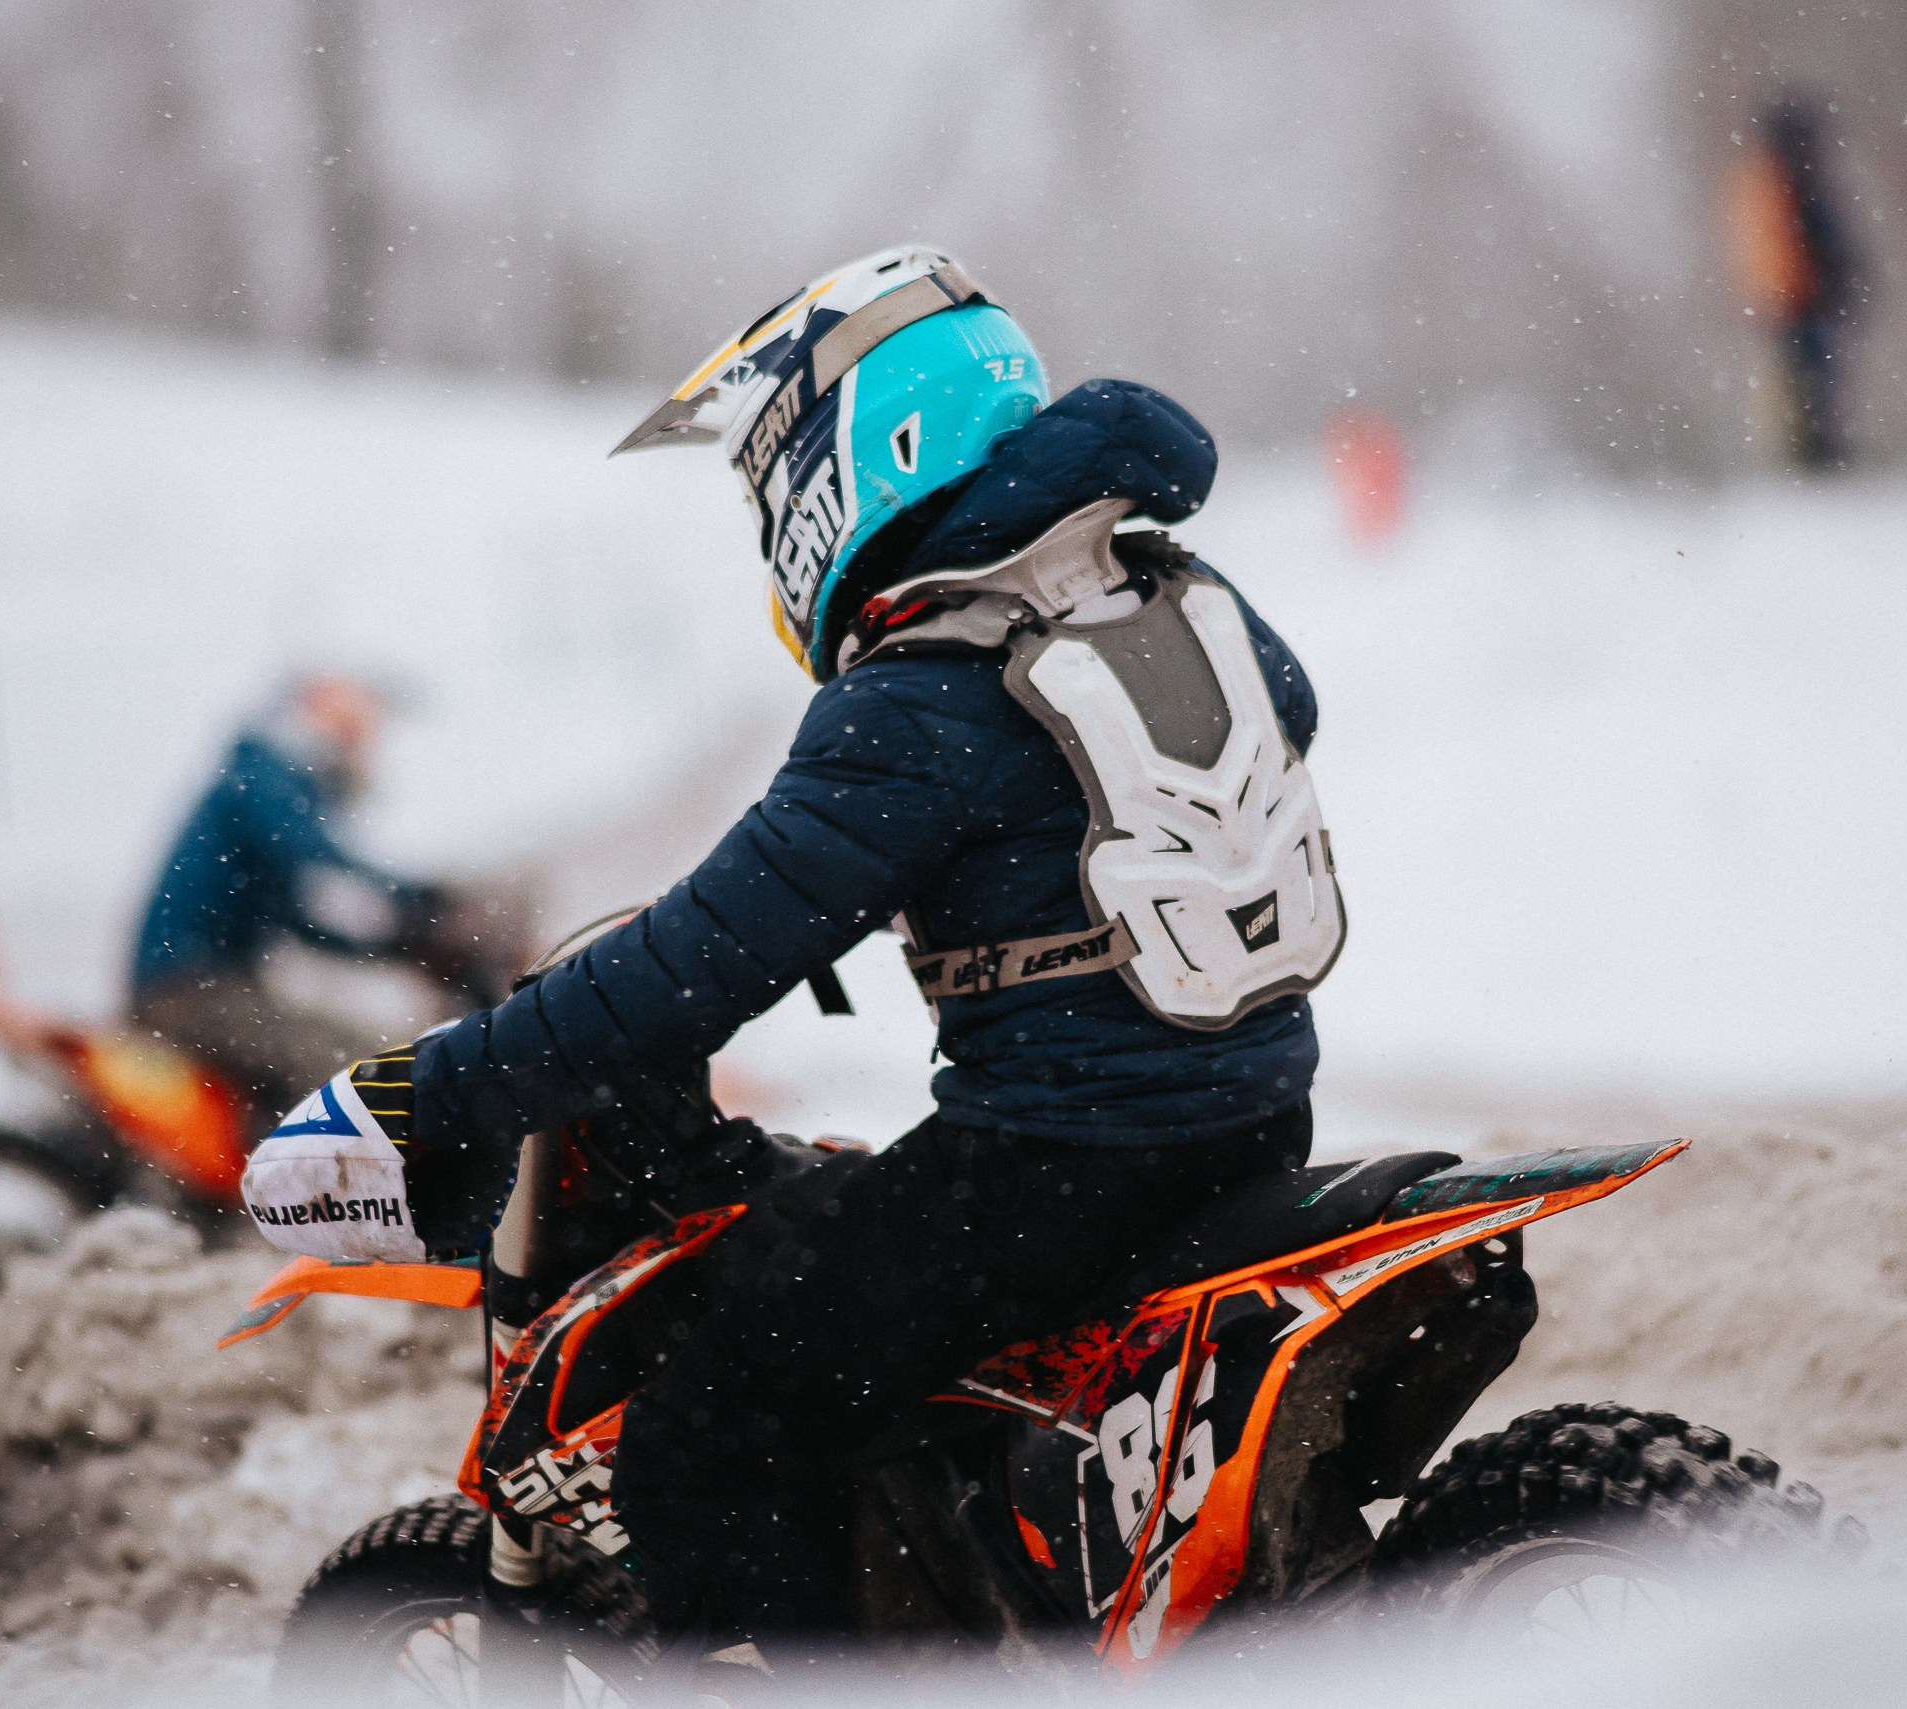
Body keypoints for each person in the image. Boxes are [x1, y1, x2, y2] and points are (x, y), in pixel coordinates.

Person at [240, 247, 1347, 1694]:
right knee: (847, 1288)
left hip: (1067, 1158)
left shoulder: (926, 682)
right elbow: (1226, 750)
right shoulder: (1166, 588)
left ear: (870, 446)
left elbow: (691, 970)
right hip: (1251, 1111)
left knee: (716, 1410)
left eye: (776, 465)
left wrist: (427, 1088)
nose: (772, 505)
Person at [129, 673, 445, 1123]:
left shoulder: (261, 775)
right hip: (189, 990)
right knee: (361, 1067)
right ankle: (324, 1189)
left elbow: (301, 918)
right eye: (361, 708)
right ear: (319, 699)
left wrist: (396, 951)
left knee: (347, 1063)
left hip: (202, 985)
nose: (371, 731)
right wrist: (427, 901)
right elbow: (314, 857)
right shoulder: (264, 771)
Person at [1726, 99, 1859, 468]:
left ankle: (1804, 453)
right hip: (1796, 300)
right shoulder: (1784, 182)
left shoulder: (1764, 181)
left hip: (1785, 300)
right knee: (1807, 381)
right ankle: (1809, 455)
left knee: (1798, 381)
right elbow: (1808, 240)